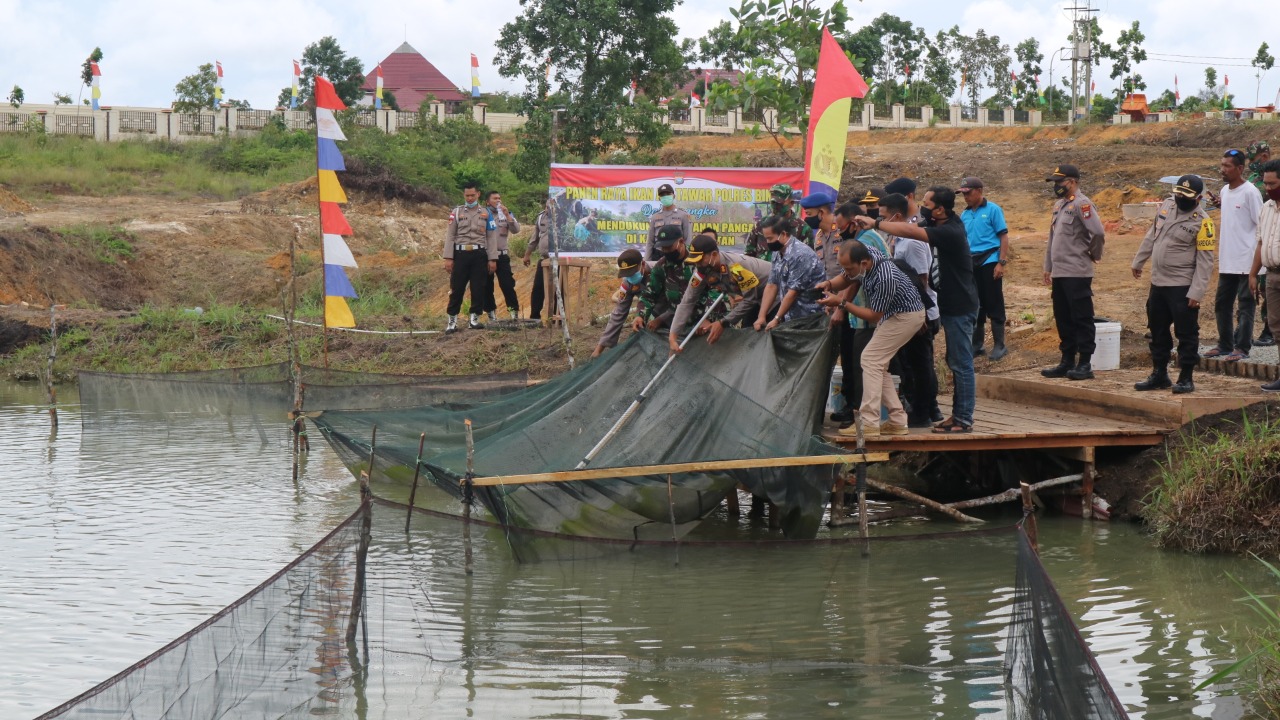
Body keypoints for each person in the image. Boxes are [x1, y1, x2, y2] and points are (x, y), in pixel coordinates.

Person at [857, 187, 978, 434]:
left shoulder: (949, 231)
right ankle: (953, 415)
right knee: (951, 360)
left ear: (940, 209)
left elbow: (912, 231)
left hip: (959, 305)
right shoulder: (945, 224)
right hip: (949, 304)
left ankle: (962, 418)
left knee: (960, 362)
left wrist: (876, 223)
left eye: (926, 204)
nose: (921, 208)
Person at [818, 242, 926, 438]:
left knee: (870, 359)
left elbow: (874, 316)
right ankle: (897, 421)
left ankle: (869, 422)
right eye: (844, 268)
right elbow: (845, 278)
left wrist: (841, 303)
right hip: (894, 314)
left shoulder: (885, 276)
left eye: (850, 269)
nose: (847, 273)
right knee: (877, 364)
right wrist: (830, 285)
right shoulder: (865, 255)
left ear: (864, 263)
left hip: (906, 316)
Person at [1131, 175, 1216, 394]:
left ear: (1198, 198)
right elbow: (1152, 234)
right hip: (1158, 282)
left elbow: (1205, 262)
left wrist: (1196, 292)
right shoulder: (1167, 206)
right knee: (1157, 330)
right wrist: (1139, 260)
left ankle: (1186, 377)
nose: (1180, 198)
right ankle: (1159, 374)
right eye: (1178, 193)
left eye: (1185, 196)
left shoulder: (1203, 221)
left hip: (1182, 286)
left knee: (1186, 333)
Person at [1040, 164, 1106, 380]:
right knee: (1063, 317)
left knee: (1081, 317)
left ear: (1073, 182)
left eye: (1060, 182)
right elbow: (1052, 239)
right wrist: (1048, 267)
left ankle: (1085, 363)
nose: (1057, 186)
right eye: (1055, 182)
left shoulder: (1082, 204)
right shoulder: (1059, 205)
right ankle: (1067, 360)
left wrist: (1094, 255)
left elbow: (1097, 232)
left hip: (1077, 271)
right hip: (1060, 272)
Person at [882, 192, 941, 428]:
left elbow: (922, 279)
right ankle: (928, 409)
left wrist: (920, 314)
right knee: (912, 363)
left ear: (897, 216)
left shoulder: (913, 241)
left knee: (921, 364)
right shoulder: (898, 239)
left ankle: (924, 413)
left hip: (921, 311)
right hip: (910, 310)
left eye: (884, 216)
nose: (881, 221)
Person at [1203, 150, 1264, 361]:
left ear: (1240, 168)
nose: (1223, 169)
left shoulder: (1251, 192)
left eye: (1228, 166)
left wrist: (1257, 265)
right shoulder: (1225, 191)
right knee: (1222, 303)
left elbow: (1261, 226)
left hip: (1247, 261)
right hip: (1228, 260)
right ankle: (1225, 344)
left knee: (1245, 305)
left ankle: (1242, 347)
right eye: (1222, 165)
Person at [669, 234, 772, 352]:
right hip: (756, 301)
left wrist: (723, 322)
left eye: (700, 261)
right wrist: (673, 336)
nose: (697, 266)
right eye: (695, 262)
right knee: (749, 339)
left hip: (774, 297)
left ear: (713, 255)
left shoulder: (736, 266)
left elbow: (750, 300)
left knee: (767, 334)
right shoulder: (702, 271)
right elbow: (687, 301)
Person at [958, 177, 1011, 360]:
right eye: (963, 194)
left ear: (979, 191)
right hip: (971, 263)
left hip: (989, 260)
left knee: (994, 302)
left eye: (968, 193)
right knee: (975, 304)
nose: (965, 197)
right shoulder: (964, 215)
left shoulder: (993, 210)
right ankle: (977, 345)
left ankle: (999, 345)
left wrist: (1001, 262)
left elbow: (1003, 236)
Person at [443, 182, 498, 333]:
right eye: (467, 195)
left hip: (479, 254)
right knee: (457, 288)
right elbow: (450, 235)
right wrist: (448, 257)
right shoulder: (457, 212)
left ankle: (474, 319)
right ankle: (452, 320)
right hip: (460, 254)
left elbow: (491, 237)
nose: (469, 198)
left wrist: (492, 259)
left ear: (478, 194)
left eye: (472, 195)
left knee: (478, 287)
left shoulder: (487, 213)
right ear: (464, 195)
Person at [755, 215, 826, 330]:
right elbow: (772, 285)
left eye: (770, 238)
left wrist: (776, 318)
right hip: (790, 317)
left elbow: (793, 292)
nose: (768, 242)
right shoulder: (777, 252)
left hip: (811, 319)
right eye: (766, 239)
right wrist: (761, 316)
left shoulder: (801, 255)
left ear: (783, 234)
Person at [1249, 160, 1280, 390]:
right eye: (1266, 184)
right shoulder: (1266, 208)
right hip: (1271, 275)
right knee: (1276, 326)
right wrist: (1253, 273)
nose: (1268, 188)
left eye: (1272, 183)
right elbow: (1261, 243)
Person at [591, 248, 652, 358]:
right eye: (627, 274)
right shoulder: (628, 283)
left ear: (642, 264)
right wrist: (599, 349)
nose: (630, 277)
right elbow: (619, 313)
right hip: (645, 305)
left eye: (633, 273)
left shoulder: (657, 271)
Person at [638, 224, 696, 333]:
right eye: (663, 248)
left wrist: (663, 318)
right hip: (673, 319)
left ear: (681, 242)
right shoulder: (662, 266)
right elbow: (649, 294)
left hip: (699, 319)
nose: (666, 251)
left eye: (669, 247)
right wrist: (640, 315)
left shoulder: (697, 262)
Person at [1247, 141, 1274, 346]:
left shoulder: (1270, 176)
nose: (1267, 187)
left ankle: (1269, 330)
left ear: (1264, 157)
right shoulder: (1255, 179)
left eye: (1252, 159)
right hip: (1265, 255)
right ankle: (1269, 329)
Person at [482, 190, 520, 321]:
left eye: (499, 198)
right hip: (486, 256)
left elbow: (516, 230)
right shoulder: (483, 215)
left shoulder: (506, 214)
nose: (498, 201)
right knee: (487, 286)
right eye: (494, 199)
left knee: (507, 284)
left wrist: (507, 216)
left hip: (502, 255)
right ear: (487, 201)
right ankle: (491, 314)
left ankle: (513, 313)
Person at [745, 183, 812, 257]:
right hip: (763, 268)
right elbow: (749, 255)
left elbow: (809, 259)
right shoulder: (760, 225)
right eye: (773, 203)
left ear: (791, 203)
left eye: (779, 203)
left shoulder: (803, 228)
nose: (775, 207)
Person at [523, 199, 562, 321]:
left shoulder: (563, 217)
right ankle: (535, 317)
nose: (547, 209)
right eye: (546, 207)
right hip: (544, 260)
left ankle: (558, 319)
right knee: (538, 288)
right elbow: (535, 238)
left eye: (550, 207)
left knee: (558, 290)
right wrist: (527, 255)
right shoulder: (541, 217)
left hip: (559, 260)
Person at [646, 183, 692, 260]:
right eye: (662, 195)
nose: (665, 196)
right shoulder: (654, 217)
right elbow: (650, 242)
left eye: (668, 194)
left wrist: (687, 259)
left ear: (673, 196)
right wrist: (646, 261)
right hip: (658, 253)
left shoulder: (683, 215)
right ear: (659, 198)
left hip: (677, 254)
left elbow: (687, 240)